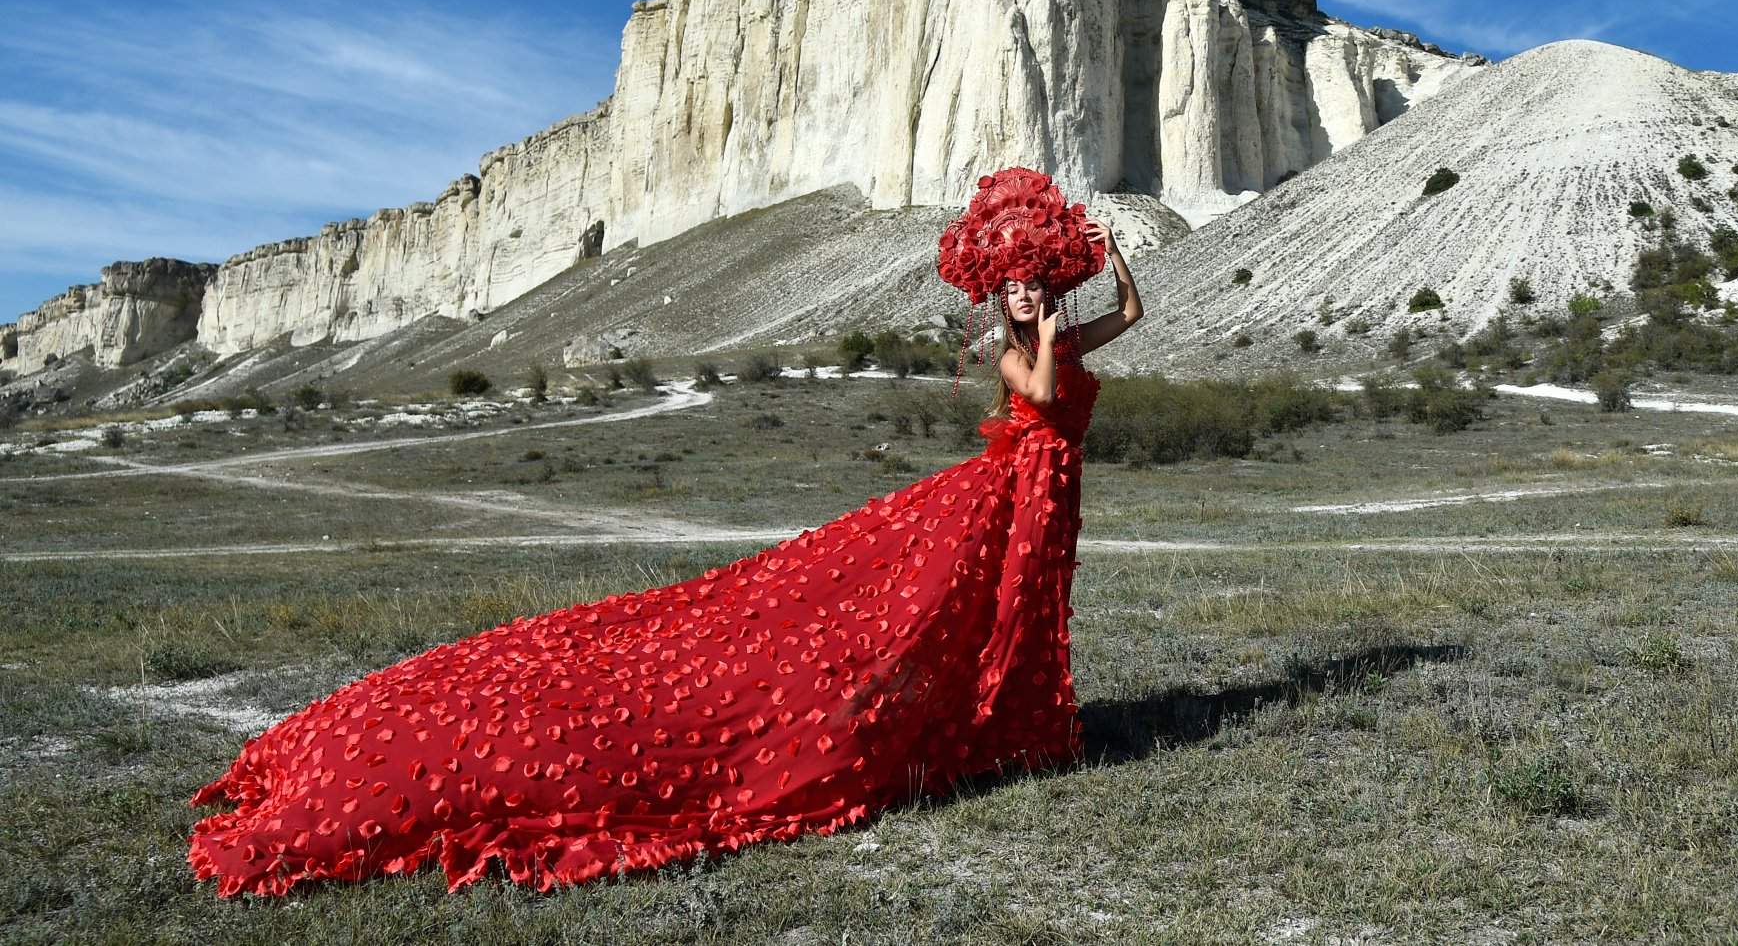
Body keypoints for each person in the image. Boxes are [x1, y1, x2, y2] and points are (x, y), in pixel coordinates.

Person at [187, 166, 1143, 897]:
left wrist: (1107, 252)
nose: (1023, 291)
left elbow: (1132, 313)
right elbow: (1047, 394)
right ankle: (962, 727)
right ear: (999, 292)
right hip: (1000, 493)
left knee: (1014, 612)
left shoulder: (1054, 319)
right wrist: (1049, 325)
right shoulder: (1013, 351)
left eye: (1035, 279)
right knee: (916, 613)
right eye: (1012, 282)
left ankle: (1010, 726)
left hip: (1046, 496)